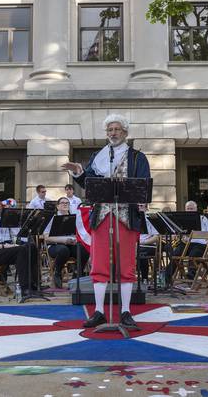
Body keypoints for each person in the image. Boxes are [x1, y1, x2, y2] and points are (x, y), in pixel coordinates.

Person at [62, 114, 150, 331]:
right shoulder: (98, 156)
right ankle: (100, 311)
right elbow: (89, 183)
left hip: (126, 216)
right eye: (110, 129)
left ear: (125, 132)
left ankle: (126, 311)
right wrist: (78, 171)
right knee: (100, 263)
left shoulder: (138, 158)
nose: (113, 133)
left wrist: (142, 202)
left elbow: (143, 186)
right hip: (102, 214)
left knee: (126, 264)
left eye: (117, 129)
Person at [43, 196, 89, 288]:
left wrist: (75, 240)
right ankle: (58, 272)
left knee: (84, 249)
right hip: (55, 245)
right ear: (57, 206)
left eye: (67, 203)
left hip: (71, 244)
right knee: (63, 250)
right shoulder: (52, 218)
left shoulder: (74, 218)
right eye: (62, 203)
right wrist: (63, 240)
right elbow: (46, 237)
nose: (65, 204)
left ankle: (77, 273)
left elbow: (79, 233)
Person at [165, 201, 208, 283]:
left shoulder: (203, 218)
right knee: (175, 254)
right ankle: (167, 277)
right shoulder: (183, 219)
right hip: (186, 243)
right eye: (188, 209)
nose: (190, 210)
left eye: (192, 209)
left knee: (193, 255)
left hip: (200, 243)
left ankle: (190, 277)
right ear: (185, 209)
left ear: (196, 209)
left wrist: (197, 235)